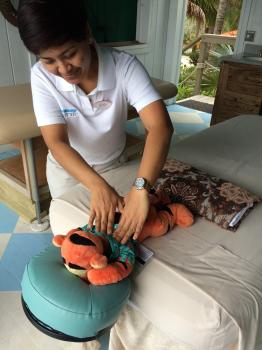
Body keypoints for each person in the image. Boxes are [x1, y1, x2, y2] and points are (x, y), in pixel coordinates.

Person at [17, 0, 173, 244]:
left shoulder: (124, 66)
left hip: (114, 164)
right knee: (73, 239)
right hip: (67, 173)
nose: (63, 69)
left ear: (87, 33)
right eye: (49, 60)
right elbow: (57, 143)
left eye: (70, 54)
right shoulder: (41, 77)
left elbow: (160, 127)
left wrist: (142, 189)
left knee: (116, 239)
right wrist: (96, 186)